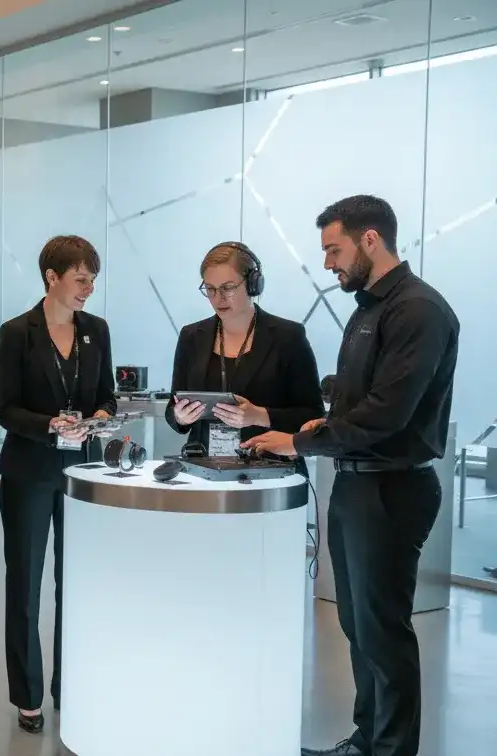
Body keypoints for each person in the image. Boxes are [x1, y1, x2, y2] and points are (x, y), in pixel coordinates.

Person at [246, 196, 459, 756]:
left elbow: (389, 412)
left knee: (383, 631)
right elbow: (363, 398)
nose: (328, 263)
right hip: (356, 483)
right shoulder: (368, 307)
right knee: (358, 630)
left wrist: (300, 439)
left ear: (370, 240)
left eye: (333, 249)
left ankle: (390, 750)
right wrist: (332, 417)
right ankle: (367, 741)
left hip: (393, 488)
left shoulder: (418, 310)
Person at [0, 235, 116, 732]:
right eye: (81, 278)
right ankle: (28, 695)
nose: (89, 288)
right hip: (28, 472)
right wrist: (50, 424)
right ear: (52, 277)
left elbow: (106, 395)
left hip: (81, 472)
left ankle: (71, 684)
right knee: (25, 584)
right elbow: (8, 410)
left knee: (77, 582)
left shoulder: (97, 330)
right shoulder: (16, 332)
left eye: (92, 279)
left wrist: (100, 417)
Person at [166, 242, 323, 459]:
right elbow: (172, 408)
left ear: (253, 285)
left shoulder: (288, 336)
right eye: (210, 289)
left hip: (269, 466)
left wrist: (260, 416)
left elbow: (313, 415)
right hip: (204, 468)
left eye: (228, 288)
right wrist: (180, 417)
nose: (218, 298)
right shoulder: (191, 336)